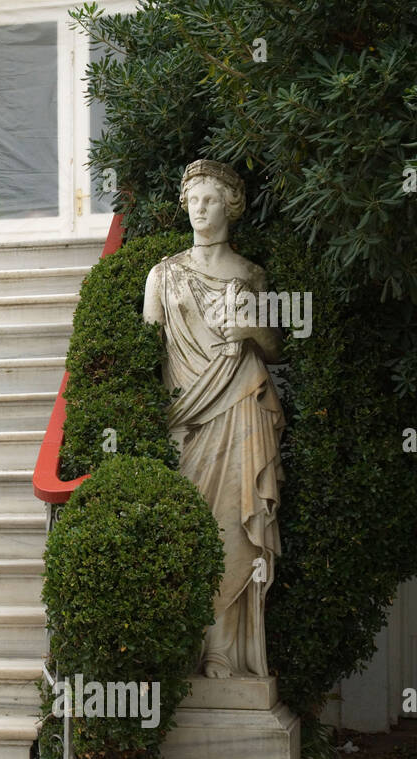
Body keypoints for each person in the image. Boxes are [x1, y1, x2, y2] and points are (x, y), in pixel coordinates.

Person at [142, 159, 285, 678]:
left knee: (233, 527)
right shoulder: (163, 274)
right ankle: (187, 645)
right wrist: (161, 420)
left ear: (231, 206)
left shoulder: (250, 275)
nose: (199, 209)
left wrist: (251, 332)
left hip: (240, 408)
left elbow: (273, 348)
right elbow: (149, 353)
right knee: (188, 533)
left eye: (210, 199)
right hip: (185, 418)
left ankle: (223, 649)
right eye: (193, 199)